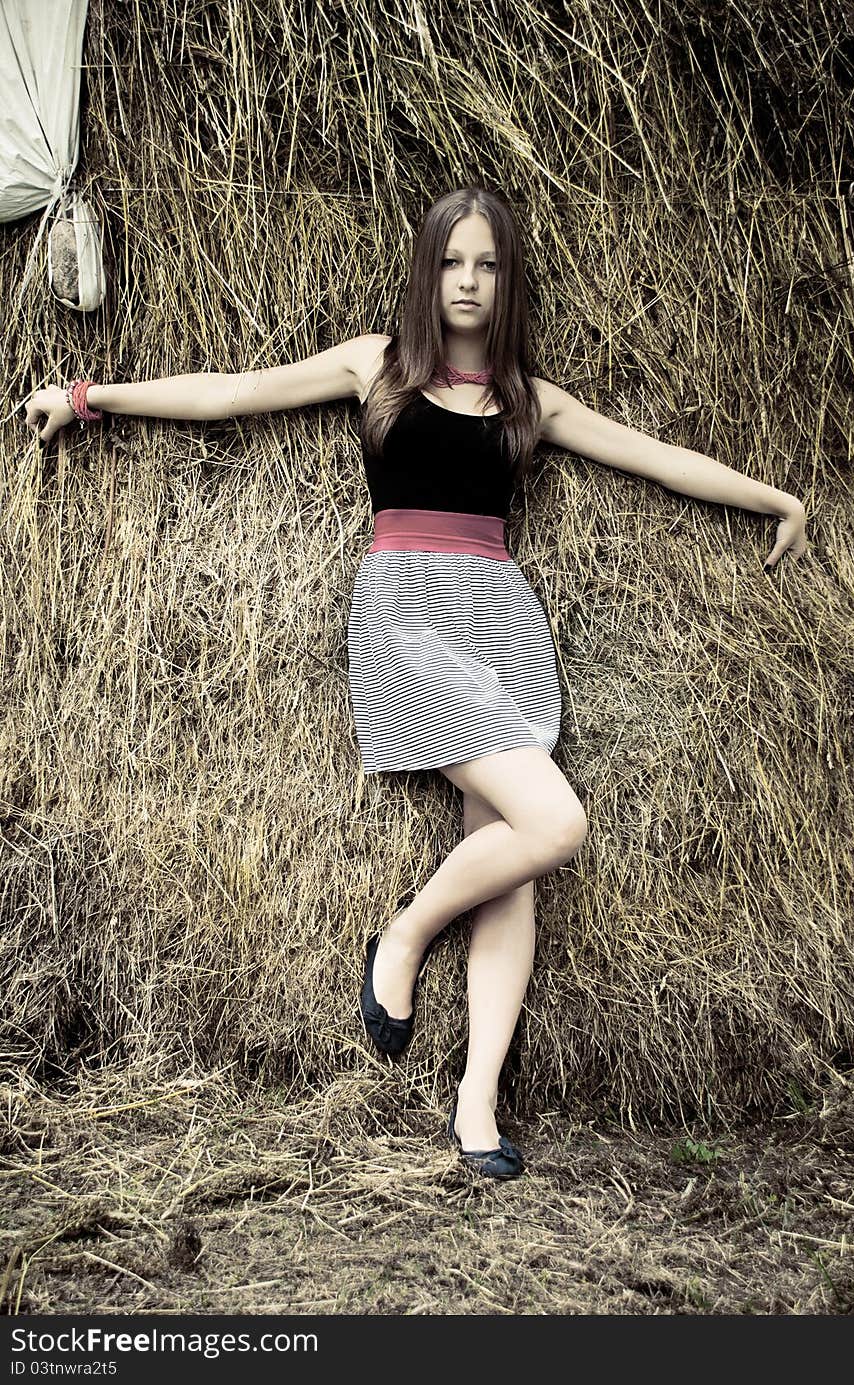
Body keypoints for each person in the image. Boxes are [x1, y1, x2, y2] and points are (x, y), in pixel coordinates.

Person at [23, 185, 809, 1181]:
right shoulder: (376, 367)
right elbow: (227, 392)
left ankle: (476, 1100)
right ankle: (402, 934)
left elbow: (657, 461)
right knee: (554, 825)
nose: (468, 282)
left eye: (486, 264)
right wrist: (89, 397)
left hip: (502, 626)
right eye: (451, 263)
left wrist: (771, 497)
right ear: (427, 271)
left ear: (506, 277)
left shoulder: (530, 399)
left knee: (510, 849)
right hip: (405, 618)